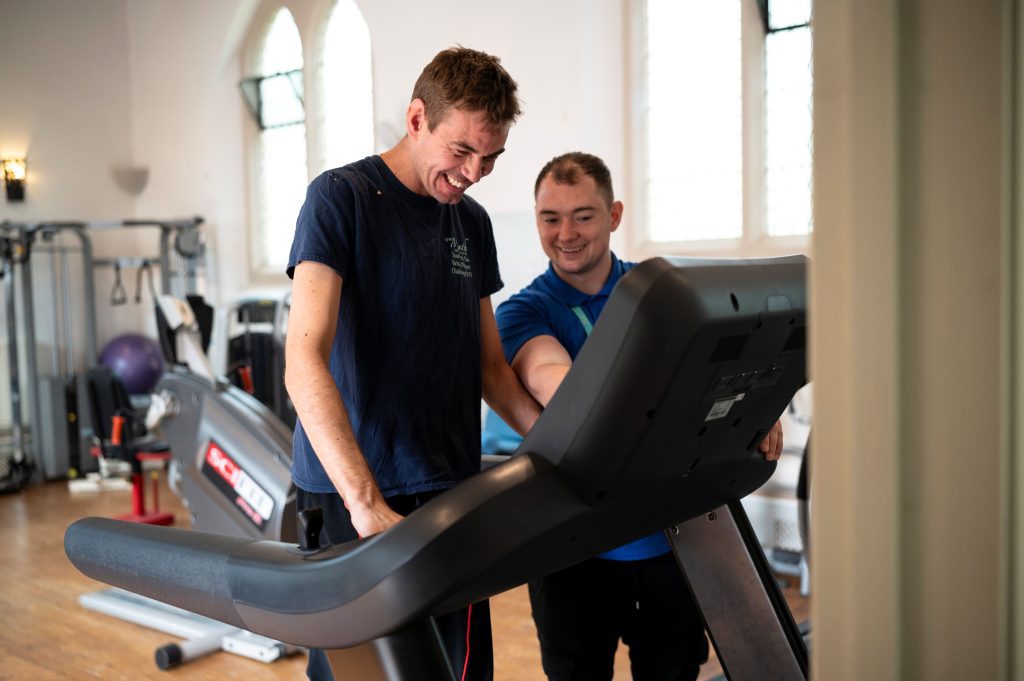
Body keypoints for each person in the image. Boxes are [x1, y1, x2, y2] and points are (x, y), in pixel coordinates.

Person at [284, 47, 542, 681]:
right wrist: (364, 501)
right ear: (417, 117)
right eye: (462, 151)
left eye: (491, 158)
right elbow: (303, 360)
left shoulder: (470, 224)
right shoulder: (340, 199)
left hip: (446, 483)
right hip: (353, 490)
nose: (475, 173)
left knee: (457, 669)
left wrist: (571, 444)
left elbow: (491, 370)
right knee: (366, 673)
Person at [495, 151, 784, 681]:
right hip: (572, 550)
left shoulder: (665, 296)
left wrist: (752, 408)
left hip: (672, 540)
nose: (566, 233)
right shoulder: (523, 311)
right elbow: (556, 382)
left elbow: (722, 367)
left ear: (615, 215)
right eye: (549, 218)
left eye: (583, 215)